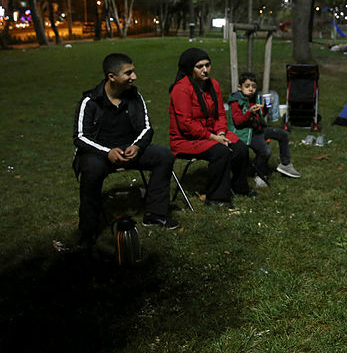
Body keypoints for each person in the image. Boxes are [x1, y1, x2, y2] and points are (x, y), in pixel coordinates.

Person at [73, 53, 178, 249]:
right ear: (112, 77)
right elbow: (80, 137)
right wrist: (107, 152)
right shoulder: (90, 100)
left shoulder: (134, 96)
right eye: (128, 73)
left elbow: (147, 128)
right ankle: (88, 231)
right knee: (92, 170)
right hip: (98, 154)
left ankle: (155, 214)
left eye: (133, 71)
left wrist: (137, 146)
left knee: (163, 156)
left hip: (130, 150)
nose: (134, 76)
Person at [168, 48, 255, 208]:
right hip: (187, 139)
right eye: (199, 66)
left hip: (213, 132)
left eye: (207, 65)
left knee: (241, 148)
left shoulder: (213, 85)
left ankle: (240, 187)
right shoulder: (181, 89)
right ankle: (216, 197)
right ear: (189, 68)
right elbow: (186, 124)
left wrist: (221, 131)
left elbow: (220, 113)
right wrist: (214, 138)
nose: (205, 70)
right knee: (220, 151)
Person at [228, 72, 301, 183]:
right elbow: (238, 122)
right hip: (246, 132)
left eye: (253, 86)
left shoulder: (256, 98)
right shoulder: (236, 101)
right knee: (265, 151)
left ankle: (285, 164)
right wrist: (249, 113)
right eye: (247, 86)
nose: (251, 89)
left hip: (258, 129)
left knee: (283, 134)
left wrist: (266, 107)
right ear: (239, 87)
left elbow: (260, 116)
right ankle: (258, 171)